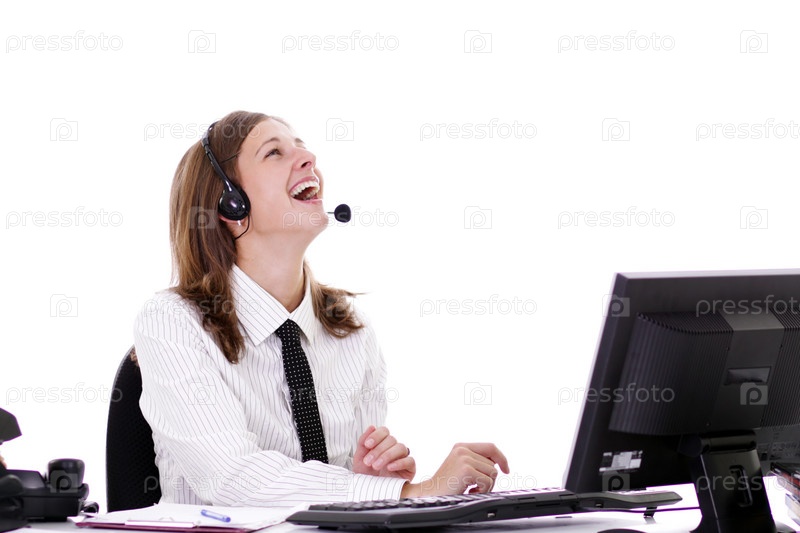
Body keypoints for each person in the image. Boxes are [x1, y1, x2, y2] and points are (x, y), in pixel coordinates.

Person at [134, 110, 509, 507]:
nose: (308, 158)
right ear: (231, 204)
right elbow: (232, 479)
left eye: (302, 147)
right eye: (274, 152)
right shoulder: (172, 323)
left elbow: (342, 496)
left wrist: (368, 483)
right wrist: (409, 493)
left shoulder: (351, 328)